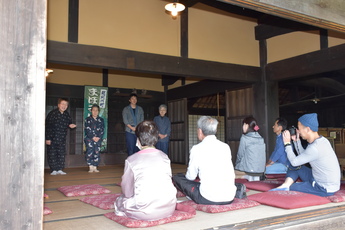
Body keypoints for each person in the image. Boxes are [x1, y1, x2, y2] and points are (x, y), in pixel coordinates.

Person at [115, 120, 177, 221]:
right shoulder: (164, 157)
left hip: (144, 212)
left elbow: (127, 191)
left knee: (120, 201)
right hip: (169, 208)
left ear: (138, 139)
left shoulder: (131, 160)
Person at [172, 116, 240, 205]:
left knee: (178, 177)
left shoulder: (197, 149)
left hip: (208, 198)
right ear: (215, 131)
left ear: (200, 131)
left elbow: (190, 177)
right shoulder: (225, 147)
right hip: (229, 196)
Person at [270, 113, 340, 197]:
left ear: (307, 129)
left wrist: (287, 144)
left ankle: (288, 186)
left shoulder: (315, 147)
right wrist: (297, 141)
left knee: (293, 187)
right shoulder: (322, 141)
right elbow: (304, 156)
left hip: (324, 188)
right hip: (319, 178)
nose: (298, 131)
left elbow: (294, 162)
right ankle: (285, 185)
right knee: (295, 167)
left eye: (299, 129)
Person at [45, 98, 76, 175]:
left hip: (62, 137)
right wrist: (47, 138)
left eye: (66, 105)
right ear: (58, 105)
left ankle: (60, 169)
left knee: (61, 153)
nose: (64, 106)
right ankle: (53, 169)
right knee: (52, 153)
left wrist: (71, 125)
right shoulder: (52, 114)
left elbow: (69, 123)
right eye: (62, 104)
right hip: (52, 137)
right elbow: (47, 126)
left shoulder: (66, 114)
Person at [235, 116, 266, 181]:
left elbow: (240, 155)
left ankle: (245, 177)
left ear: (246, 125)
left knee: (230, 173)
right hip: (261, 169)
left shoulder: (244, 138)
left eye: (243, 124)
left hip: (248, 169)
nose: (243, 127)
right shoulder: (261, 138)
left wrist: (236, 164)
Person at [84, 104, 104, 173]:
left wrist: (98, 137)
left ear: (98, 111)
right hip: (90, 139)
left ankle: (95, 166)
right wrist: (93, 137)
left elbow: (102, 130)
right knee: (90, 151)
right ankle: (90, 166)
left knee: (97, 152)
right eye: (93, 110)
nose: (95, 112)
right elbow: (87, 130)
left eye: (96, 110)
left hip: (98, 139)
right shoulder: (87, 119)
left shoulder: (101, 120)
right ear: (91, 111)